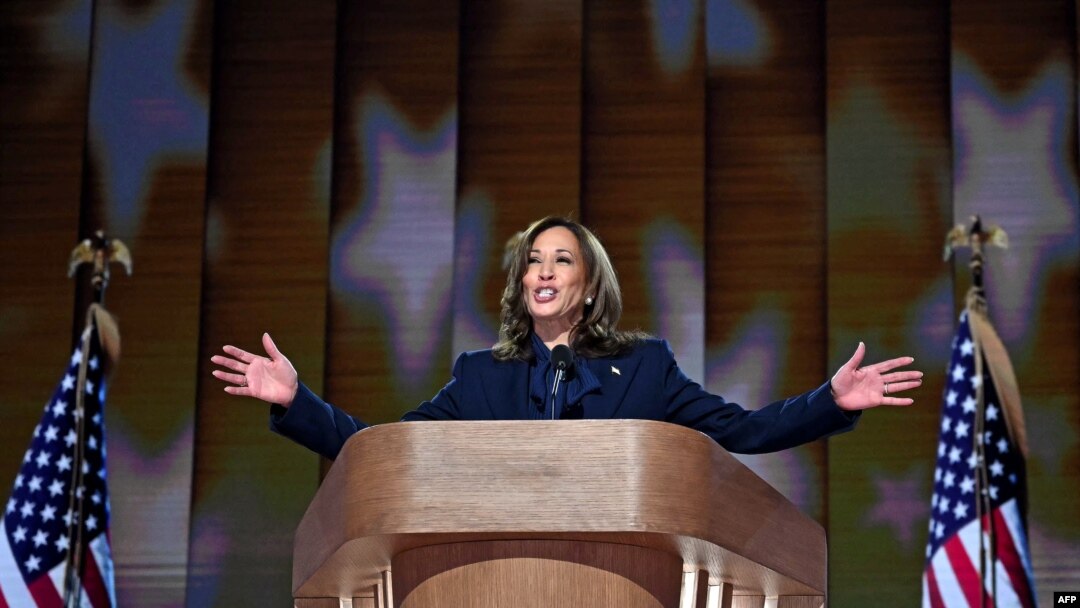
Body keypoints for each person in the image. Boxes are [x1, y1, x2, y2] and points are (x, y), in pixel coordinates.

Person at [212, 216, 922, 460]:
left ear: (587, 285)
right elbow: (385, 451)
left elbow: (744, 430)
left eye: (562, 259)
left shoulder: (646, 368)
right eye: (532, 259)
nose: (542, 269)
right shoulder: (480, 376)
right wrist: (298, 400)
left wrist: (832, 401)